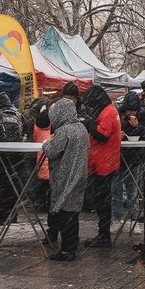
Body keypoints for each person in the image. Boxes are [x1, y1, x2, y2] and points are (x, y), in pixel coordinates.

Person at [41, 98, 90, 261]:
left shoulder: (64, 131)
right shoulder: (81, 128)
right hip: (79, 175)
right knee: (72, 212)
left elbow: (52, 152)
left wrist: (46, 143)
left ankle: (67, 251)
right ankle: (71, 247)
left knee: (64, 212)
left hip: (65, 176)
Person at [81, 85, 122, 248]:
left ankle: (104, 236)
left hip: (104, 163)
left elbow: (102, 135)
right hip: (103, 161)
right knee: (102, 200)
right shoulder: (109, 110)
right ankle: (102, 234)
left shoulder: (108, 112)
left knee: (103, 201)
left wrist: (88, 123)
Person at [0, 93, 24, 225]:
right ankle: (14, 215)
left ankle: (4, 216)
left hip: (1, 156)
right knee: (13, 185)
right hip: (16, 156)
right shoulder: (18, 115)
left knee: (2, 186)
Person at [115, 92, 145, 230]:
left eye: (134, 110)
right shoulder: (117, 114)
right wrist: (119, 131)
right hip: (118, 158)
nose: (132, 112)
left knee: (133, 191)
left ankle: (135, 221)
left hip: (134, 158)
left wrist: (137, 127)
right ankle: (116, 219)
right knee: (116, 191)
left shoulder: (142, 115)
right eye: (130, 110)